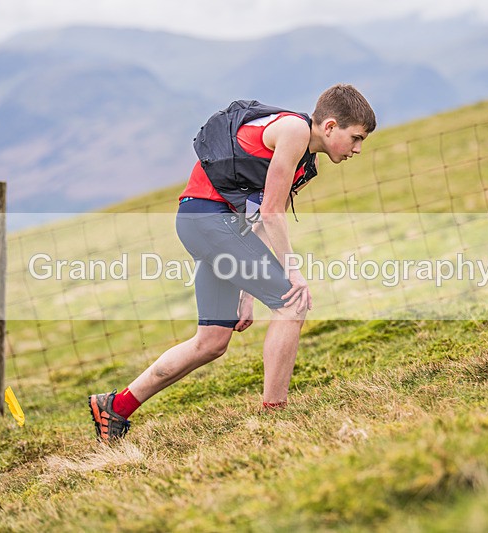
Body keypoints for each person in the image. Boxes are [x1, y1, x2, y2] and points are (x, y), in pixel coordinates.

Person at [89, 84, 376, 441]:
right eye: (356, 138)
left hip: (210, 225)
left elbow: (256, 218)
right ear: (331, 126)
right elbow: (271, 213)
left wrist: (247, 292)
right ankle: (275, 415)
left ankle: (115, 406)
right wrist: (293, 273)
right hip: (210, 220)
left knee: (211, 342)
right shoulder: (294, 132)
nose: (358, 149)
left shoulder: (306, 162)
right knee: (292, 302)